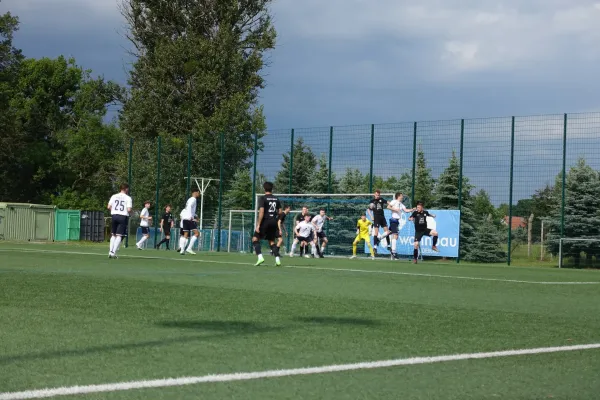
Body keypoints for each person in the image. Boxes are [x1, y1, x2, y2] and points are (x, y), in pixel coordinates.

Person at [253, 181, 282, 266]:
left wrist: (258, 224)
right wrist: (274, 216)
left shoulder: (263, 198)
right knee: (271, 241)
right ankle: (277, 259)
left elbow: (261, 211)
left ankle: (260, 257)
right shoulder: (276, 199)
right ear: (272, 189)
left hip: (265, 221)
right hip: (273, 222)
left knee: (255, 239)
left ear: (264, 188)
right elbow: (280, 211)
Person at [107, 183, 133, 259]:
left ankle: (110, 251)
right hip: (122, 216)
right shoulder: (128, 198)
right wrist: (132, 213)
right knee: (119, 235)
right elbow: (129, 209)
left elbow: (108, 207)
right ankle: (113, 252)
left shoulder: (114, 196)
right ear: (126, 189)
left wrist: (115, 211)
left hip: (114, 216)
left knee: (113, 234)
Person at [387, 192, 415, 259]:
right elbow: (388, 206)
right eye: (401, 196)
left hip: (397, 221)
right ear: (398, 196)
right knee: (395, 235)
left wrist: (413, 209)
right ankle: (393, 252)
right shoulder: (394, 201)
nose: (402, 197)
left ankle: (379, 238)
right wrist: (395, 209)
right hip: (393, 220)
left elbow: (406, 210)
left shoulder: (401, 204)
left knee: (390, 232)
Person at [179, 188, 200, 255]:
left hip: (185, 219)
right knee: (197, 233)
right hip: (189, 219)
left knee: (185, 235)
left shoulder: (189, 199)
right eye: (198, 192)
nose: (199, 194)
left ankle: (182, 250)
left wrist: (195, 215)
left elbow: (188, 208)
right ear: (195, 192)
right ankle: (189, 248)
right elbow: (189, 207)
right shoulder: (193, 199)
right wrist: (191, 217)